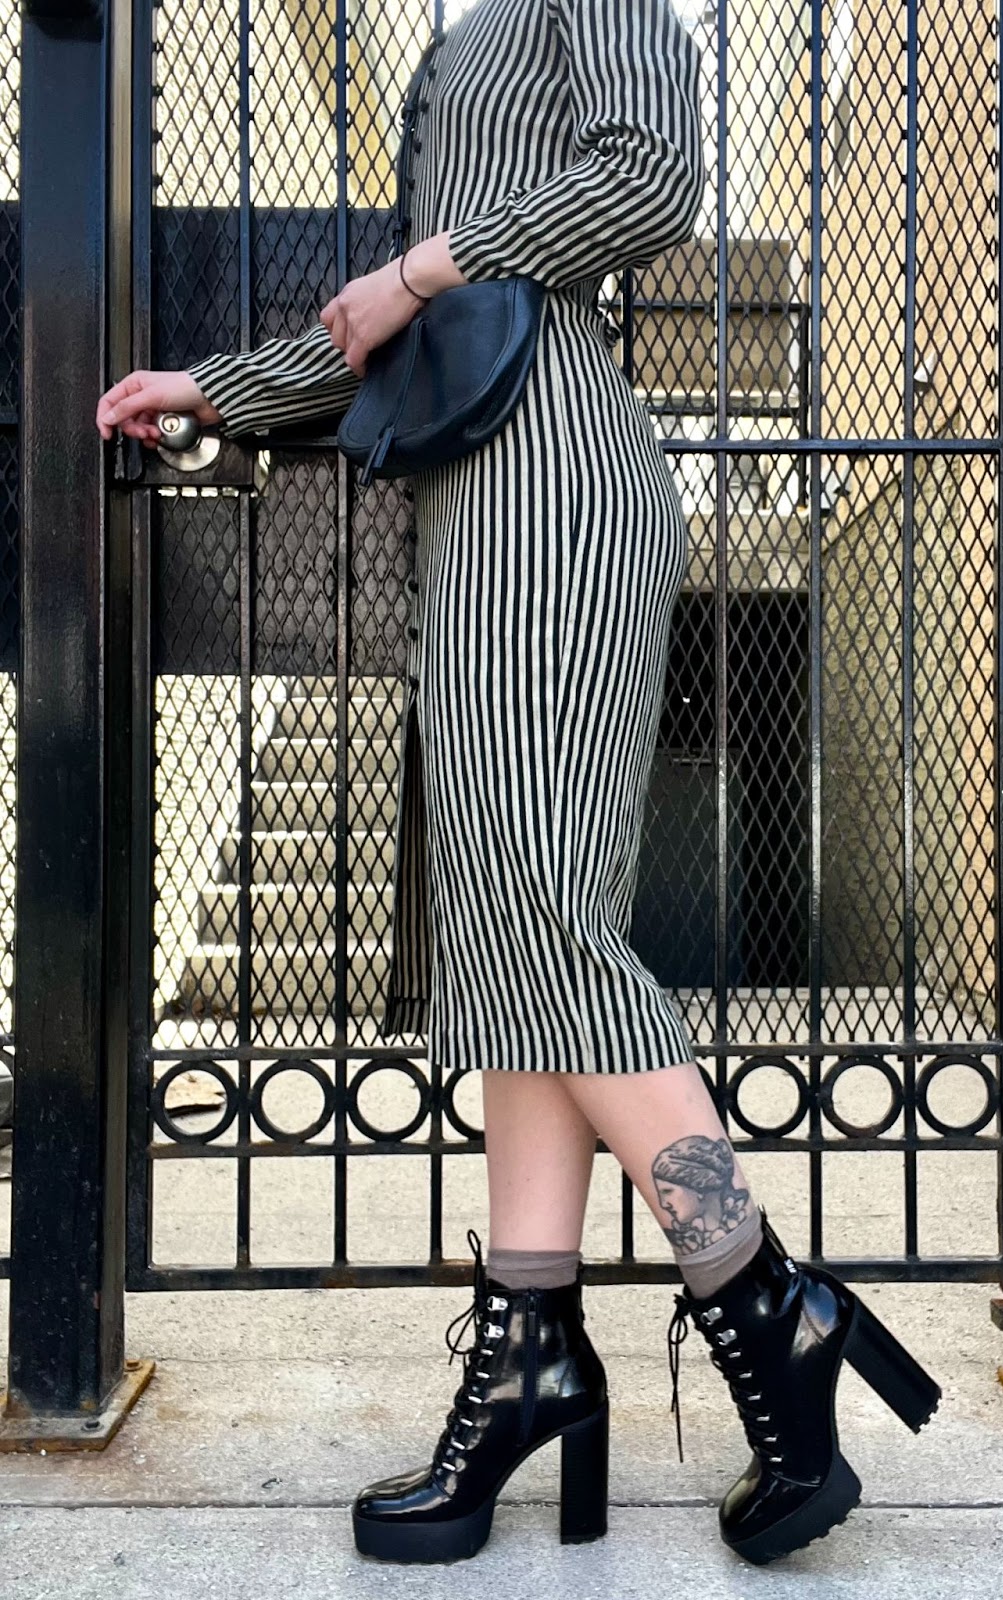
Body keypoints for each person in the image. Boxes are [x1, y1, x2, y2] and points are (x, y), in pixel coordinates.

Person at [95, 0, 939, 1568]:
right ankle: (533, 1342)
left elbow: (650, 180)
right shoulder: (474, 32)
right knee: (507, 933)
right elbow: (381, 333)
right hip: (481, 510)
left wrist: (422, 262)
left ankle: (766, 1303)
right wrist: (213, 384)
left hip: (552, 489)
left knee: (541, 914)